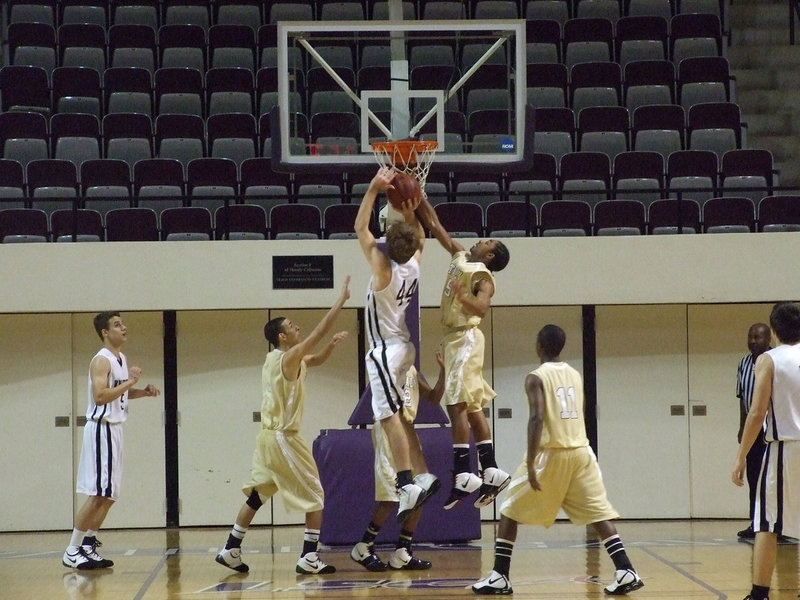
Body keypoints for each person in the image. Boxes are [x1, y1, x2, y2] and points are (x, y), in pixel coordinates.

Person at [473, 324, 643, 596]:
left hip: (551, 452)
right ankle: (625, 569)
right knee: (598, 513)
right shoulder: (574, 374)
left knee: (508, 509)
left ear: (538, 346)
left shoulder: (535, 377)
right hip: (581, 451)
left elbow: (537, 417)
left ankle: (500, 576)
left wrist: (530, 462)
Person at [215, 277, 351, 575]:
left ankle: (230, 548)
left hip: (266, 439)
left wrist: (331, 346)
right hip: (283, 438)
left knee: (258, 494)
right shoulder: (288, 358)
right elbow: (315, 334)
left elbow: (314, 360)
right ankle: (309, 557)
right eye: (291, 325)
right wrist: (340, 301)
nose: (297, 327)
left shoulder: (275, 359)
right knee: (316, 494)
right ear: (282, 336)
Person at [354, 166, 439, 524]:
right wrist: (410, 207)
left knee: (388, 419)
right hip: (403, 349)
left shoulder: (383, 269)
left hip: (385, 352)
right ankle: (421, 475)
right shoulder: (414, 265)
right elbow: (419, 235)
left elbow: (361, 228)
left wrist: (374, 189)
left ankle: (406, 483)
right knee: (402, 420)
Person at [415, 194, 511, 510]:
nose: (481, 240)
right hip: (458, 338)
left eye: (487, 242)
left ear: (490, 257)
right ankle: (492, 469)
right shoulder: (460, 256)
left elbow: (482, 308)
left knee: (456, 404)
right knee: (471, 407)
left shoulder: (483, 277)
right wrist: (420, 198)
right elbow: (434, 225)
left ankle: (463, 473)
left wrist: (462, 297)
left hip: (467, 336)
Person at [63, 312, 161, 570]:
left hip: (116, 429)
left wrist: (141, 391)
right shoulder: (101, 360)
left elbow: (120, 395)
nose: (124, 328)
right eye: (117, 325)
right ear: (105, 332)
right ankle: (72, 549)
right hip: (101, 428)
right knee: (98, 494)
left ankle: (88, 544)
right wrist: (131, 381)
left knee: (110, 495)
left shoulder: (120, 359)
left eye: (123, 323)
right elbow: (100, 396)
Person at [351, 350, 445, 572]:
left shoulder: (413, 371)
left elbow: (433, 398)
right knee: (394, 495)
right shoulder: (385, 366)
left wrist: (443, 370)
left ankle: (402, 551)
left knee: (421, 490)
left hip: (408, 431)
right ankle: (363, 546)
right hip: (388, 429)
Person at [732, 302, 800, 600]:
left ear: (773, 330)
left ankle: (758, 594)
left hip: (785, 447)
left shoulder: (769, 360)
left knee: (767, 524)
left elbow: (757, 412)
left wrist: (740, 457)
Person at [736, 322, 772, 540]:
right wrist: (742, 427)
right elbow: (742, 398)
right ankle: (755, 522)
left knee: (773, 479)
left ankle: (779, 525)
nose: (753, 341)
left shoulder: (775, 361)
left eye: (758, 337)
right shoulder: (743, 363)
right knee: (754, 477)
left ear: (768, 339)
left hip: (773, 428)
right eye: (750, 337)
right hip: (753, 428)